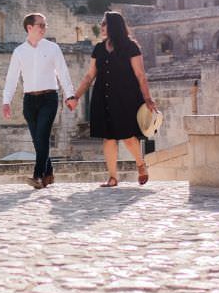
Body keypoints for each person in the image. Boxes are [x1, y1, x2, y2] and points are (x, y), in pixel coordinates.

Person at [66, 10, 157, 187]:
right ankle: (113, 177)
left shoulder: (131, 47)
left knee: (128, 136)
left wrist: (148, 98)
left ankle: (140, 165)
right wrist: (75, 96)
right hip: (103, 96)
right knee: (108, 138)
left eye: (104, 24)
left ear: (114, 26)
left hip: (126, 97)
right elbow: (89, 75)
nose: (101, 27)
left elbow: (140, 75)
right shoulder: (98, 48)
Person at [2, 13, 76, 189]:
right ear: (30, 28)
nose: (44, 28)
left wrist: (70, 95)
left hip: (49, 98)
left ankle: (37, 176)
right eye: (40, 25)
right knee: (38, 141)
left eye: (45, 25)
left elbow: (63, 73)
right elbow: (11, 77)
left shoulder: (53, 48)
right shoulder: (19, 51)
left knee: (42, 136)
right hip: (29, 101)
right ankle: (49, 173)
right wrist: (6, 101)